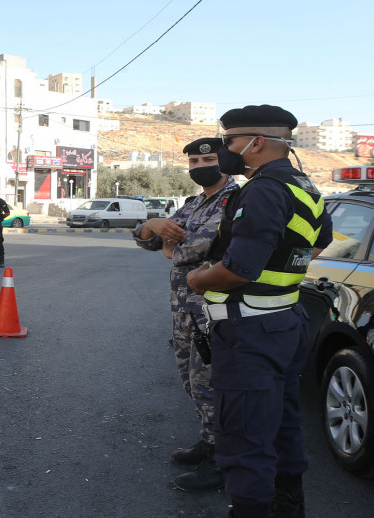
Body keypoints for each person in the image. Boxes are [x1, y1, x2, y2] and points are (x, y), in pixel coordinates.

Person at [186, 105, 333, 518]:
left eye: (230, 141)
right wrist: (280, 270)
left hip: (249, 333)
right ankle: (288, 508)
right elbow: (317, 243)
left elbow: (238, 269)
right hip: (284, 323)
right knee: (283, 428)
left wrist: (198, 279)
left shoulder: (264, 189)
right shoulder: (304, 185)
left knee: (244, 436)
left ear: (257, 143)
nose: (225, 149)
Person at [134, 137, 238, 494]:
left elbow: (197, 246)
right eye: (193, 162)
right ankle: (209, 442)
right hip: (184, 311)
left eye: (207, 159)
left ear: (223, 160)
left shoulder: (235, 201)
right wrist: (154, 223)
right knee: (191, 382)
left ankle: (223, 459)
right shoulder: (194, 203)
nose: (198, 167)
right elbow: (144, 238)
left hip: (214, 312)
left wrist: (166, 239)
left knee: (211, 384)